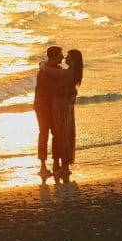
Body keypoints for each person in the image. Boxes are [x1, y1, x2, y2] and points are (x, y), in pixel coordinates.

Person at [50, 49, 83, 182]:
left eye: (69, 56)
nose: (66, 57)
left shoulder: (69, 73)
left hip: (61, 107)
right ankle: (61, 165)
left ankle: (61, 165)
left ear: (74, 60)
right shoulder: (72, 73)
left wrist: (42, 65)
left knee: (61, 136)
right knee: (64, 135)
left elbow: (51, 72)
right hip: (65, 107)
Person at [33, 46, 63, 179]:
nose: (62, 58)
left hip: (52, 107)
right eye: (60, 55)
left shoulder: (55, 69)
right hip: (43, 107)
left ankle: (56, 163)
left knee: (56, 134)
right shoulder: (44, 72)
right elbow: (53, 89)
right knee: (44, 134)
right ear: (54, 56)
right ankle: (43, 166)